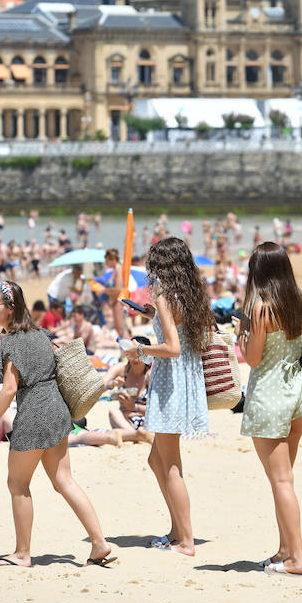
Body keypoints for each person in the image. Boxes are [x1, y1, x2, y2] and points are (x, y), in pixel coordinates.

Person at [0, 280, 113, 568]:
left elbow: (9, 389)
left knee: (17, 483)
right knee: (64, 481)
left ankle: (22, 554)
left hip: (35, 414)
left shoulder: (10, 341)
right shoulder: (39, 334)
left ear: (10, 308)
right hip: (58, 411)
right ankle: (99, 543)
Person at [125, 237, 212, 557]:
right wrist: (153, 314)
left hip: (171, 382)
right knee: (157, 459)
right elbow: (179, 333)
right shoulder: (188, 293)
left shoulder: (164, 294)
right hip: (186, 379)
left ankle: (185, 540)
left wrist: (139, 349)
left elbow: (172, 348)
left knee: (170, 463)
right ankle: (177, 529)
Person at [237, 241, 302, 576]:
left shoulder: (262, 308)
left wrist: (241, 337)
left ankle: (296, 558)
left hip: (269, 395)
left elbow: (252, 359)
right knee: (283, 479)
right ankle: (284, 549)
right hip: (298, 395)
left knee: (281, 481)